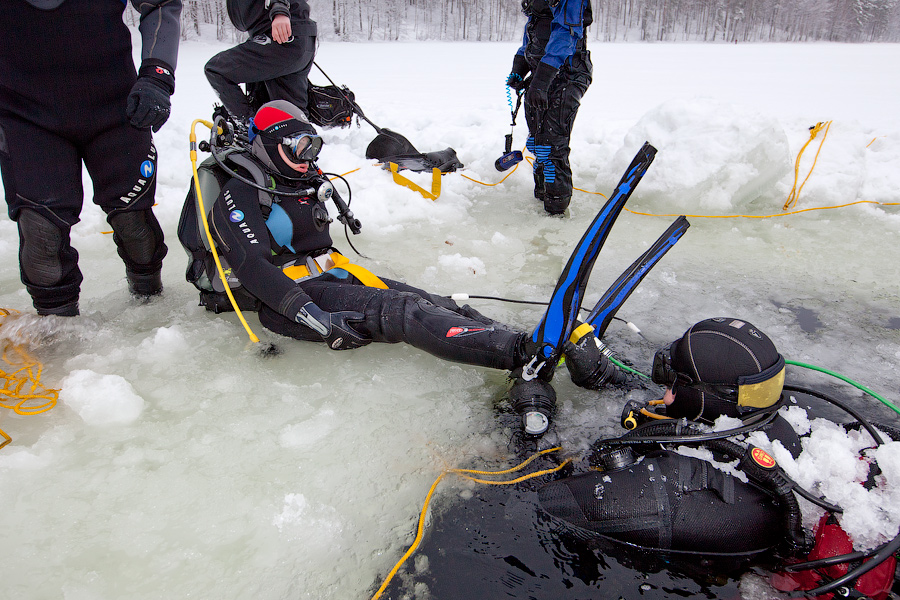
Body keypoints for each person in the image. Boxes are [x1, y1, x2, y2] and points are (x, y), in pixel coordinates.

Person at [179, 101, 604, 420]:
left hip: (323, 274)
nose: (310, 158)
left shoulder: (296, 177)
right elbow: (253, 266)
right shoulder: (240, 186)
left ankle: (538, 343)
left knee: (432, 300)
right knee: (399, 311)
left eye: (314, 146)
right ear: (271, 145)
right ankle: (519, 352)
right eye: (299, 147)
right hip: (280, 298)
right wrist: (316, 319)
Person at [0, 0, 181, 316]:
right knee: (41, 236)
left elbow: (162, 5)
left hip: (114, 106)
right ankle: (60, 340)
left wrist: (157, 74)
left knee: (135, 226)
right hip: (24, 113)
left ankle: (150, 312)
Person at [506, 0, 593, 216]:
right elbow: (533, 29)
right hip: (541, 71)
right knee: (537, 143)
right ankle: (542, 198)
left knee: (551, 145)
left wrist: (542, 80)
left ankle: (556, 212)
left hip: (568, 73)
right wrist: (520, 65)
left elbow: (566, 34)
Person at [205, 0, 318, 123]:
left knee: (217, 70)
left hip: (281, 33)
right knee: (289, 117)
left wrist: (279, 10)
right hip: (298, 34)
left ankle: (250, 127)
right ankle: (299, 137)